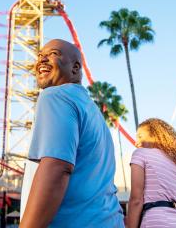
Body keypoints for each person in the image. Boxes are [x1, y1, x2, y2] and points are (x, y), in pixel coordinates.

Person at [20, 39, 124, 228]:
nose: (42, 60)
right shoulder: (93, 112)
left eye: (53, 54)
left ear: (75, 68)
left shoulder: (55, 95)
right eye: (40, 55)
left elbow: (57, 168)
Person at [127, 118, 176, 228]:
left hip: (155, 221)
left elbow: (136, 200)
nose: (136, 142)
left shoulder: (141, 154)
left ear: (155, 135)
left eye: (140, 136)